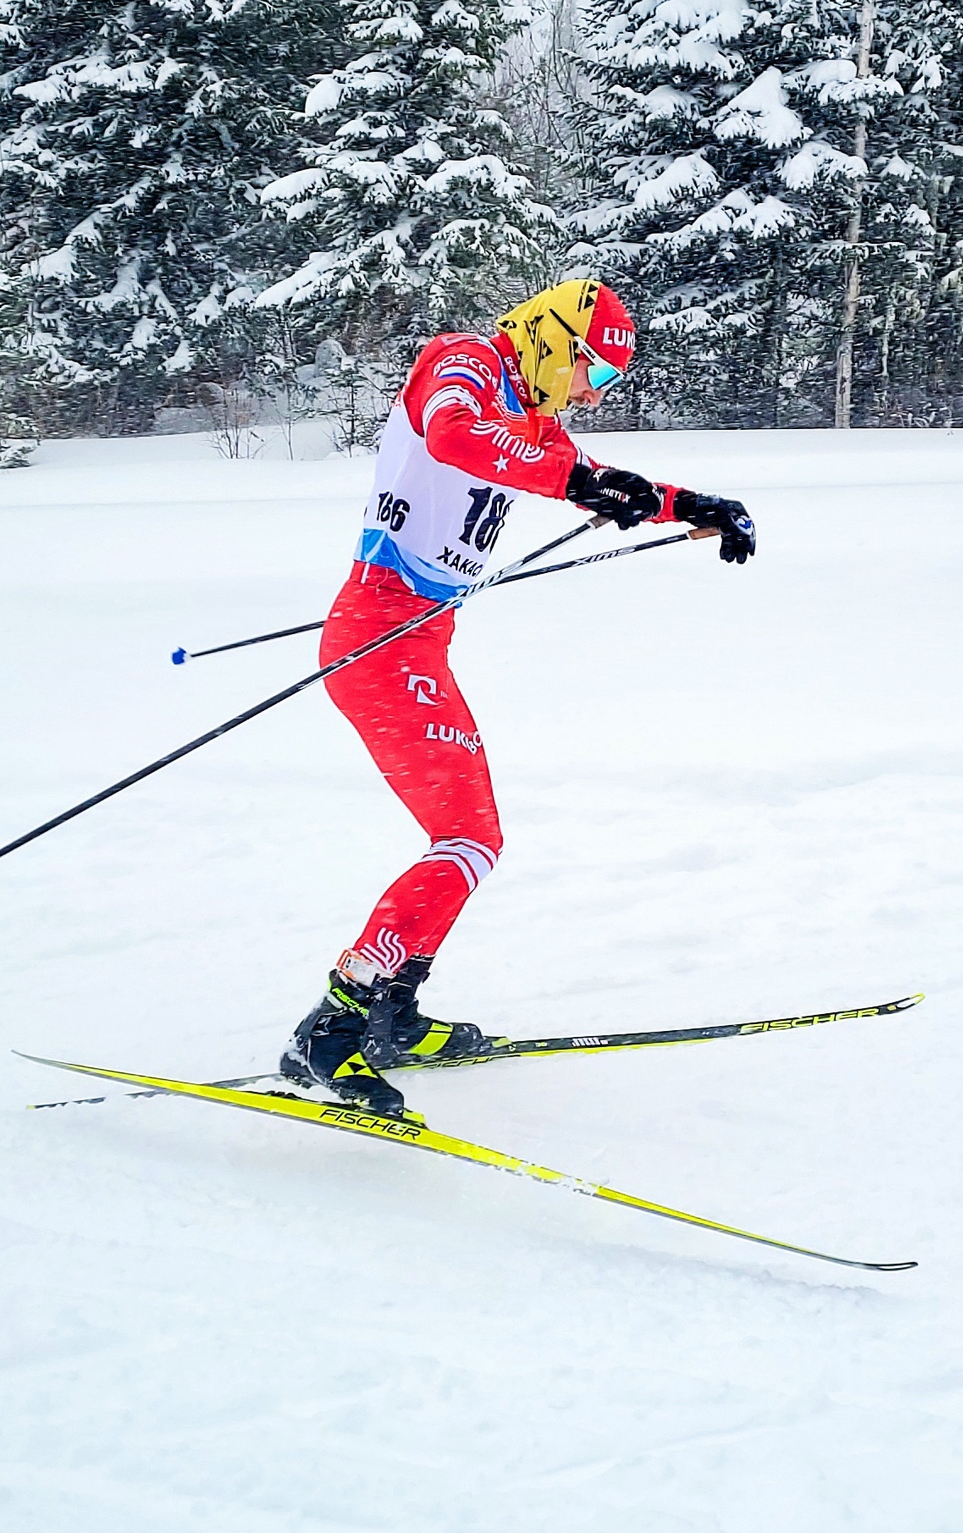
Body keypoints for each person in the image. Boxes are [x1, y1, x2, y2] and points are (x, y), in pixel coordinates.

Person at [279, 280, 756, 1118]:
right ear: (550, 336)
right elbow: (460, 437)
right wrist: (578, 482)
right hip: (379, 638)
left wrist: (690, 506)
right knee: (466, 838)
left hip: (415, 639)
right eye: (590, 372)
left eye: (603, 385)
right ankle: (334, 1026)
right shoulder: (459, 363)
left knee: (471, 838)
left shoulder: (530, 419)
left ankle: (391, 1011)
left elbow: (589, 473)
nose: (587, 393)